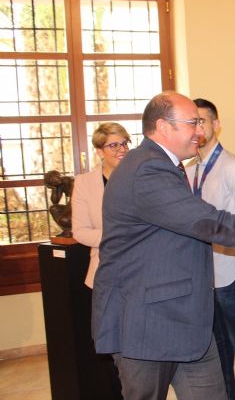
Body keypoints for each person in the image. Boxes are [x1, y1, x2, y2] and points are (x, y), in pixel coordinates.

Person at [92, 91, 235, 400]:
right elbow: (213, 223)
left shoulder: (164, 165)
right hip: (146, 323)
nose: (199, 131)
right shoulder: (147, 170)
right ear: (164, 127)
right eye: (192, 123)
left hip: (185, 322)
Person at [185, 98, 235, 400]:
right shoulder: (189, 170)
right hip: (202, 277)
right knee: (219, 348)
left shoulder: (233, 168)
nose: (197, 128)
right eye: (192, 123)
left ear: (217, 125)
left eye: (202, 121)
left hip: (231, 273)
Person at [72, 122, 132, 400]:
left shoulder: (139, 176)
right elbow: (80, 232)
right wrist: (116, 236)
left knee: (137, 347)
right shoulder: (84, 183)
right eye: (113, 145)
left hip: (139, 274)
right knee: (111, 347)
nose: (121, 150)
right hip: (103, 274)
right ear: (99, 151)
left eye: (124, 143)